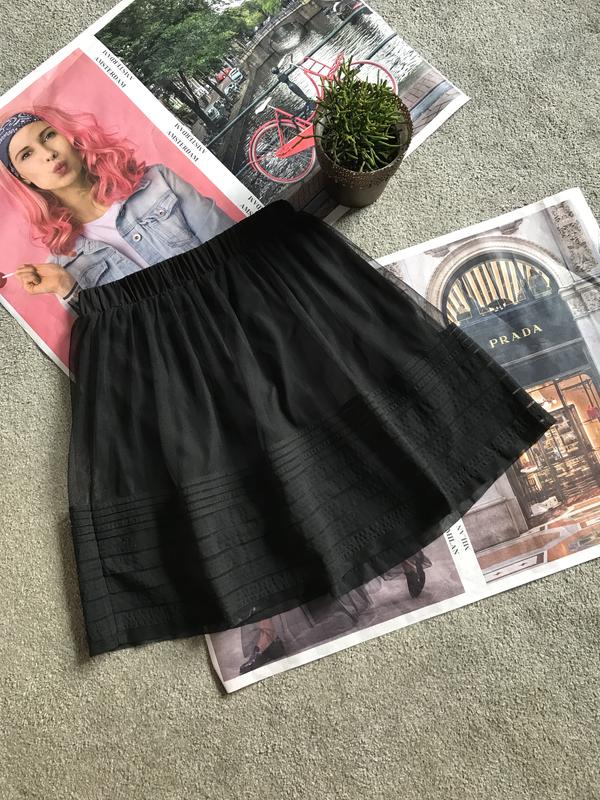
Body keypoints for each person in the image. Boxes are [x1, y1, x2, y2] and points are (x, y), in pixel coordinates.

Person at [0, 108, 233, 314]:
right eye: (27, 155)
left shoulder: (158, 182)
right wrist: (66, 288)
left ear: (68, 136)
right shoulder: (62, 267)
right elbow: (122, 338)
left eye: (49, 135)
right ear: (22, 177)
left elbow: (233, 246)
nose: (48, 153)